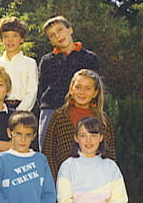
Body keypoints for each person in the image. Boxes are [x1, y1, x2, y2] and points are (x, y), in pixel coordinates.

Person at [37, 15, 100, 149]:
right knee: (48, 149)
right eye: (52, 35)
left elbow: (95, 86)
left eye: (60, 30)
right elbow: (41, 88)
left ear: (70, 29)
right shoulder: (47, 61)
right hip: (51, 110)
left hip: (81, 109)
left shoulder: (89, 58)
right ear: (50, 41)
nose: (57, 36)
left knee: (82, 148)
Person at [42, 69, 115, 181]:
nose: (82, 92)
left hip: (97, 181)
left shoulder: (103, 120)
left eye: (88, 88)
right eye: (78, 87)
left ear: (95, 93)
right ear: (71, 89)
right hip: (66, 181)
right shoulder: (59, 117)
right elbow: (48, 153)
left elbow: (110, 154)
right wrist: (55, 182)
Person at [0, 16, 37, 112]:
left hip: (21, 110)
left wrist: (18, 112)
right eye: (6, 36)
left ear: (22, 39)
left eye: (15, 36)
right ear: (1, 39)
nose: (10, 40)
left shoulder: (29, 63)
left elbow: (32, 92)